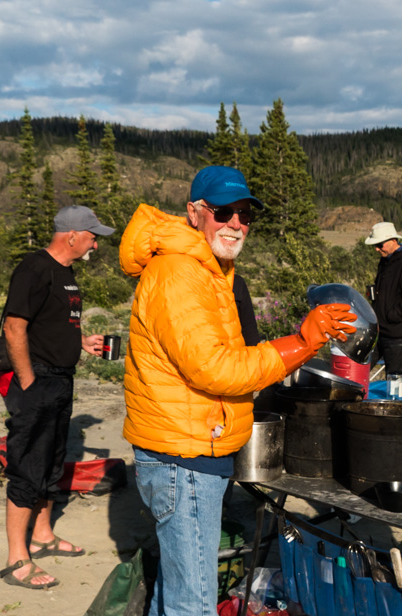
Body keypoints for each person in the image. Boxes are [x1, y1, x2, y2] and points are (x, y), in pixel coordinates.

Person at [119, 165, 356, 616]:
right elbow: (216, 370)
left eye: (245, 214)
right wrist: (301, 343)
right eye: (223, 211)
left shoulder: (209, 270)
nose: (235, 223)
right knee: (193, 604)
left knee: (177, 588)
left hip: (185, 447)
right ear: (194, 213)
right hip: (184, 457)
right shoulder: (179, 274)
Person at [0, 205, 115, 590]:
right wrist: (30, 382)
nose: (96, 243)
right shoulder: (34, 268)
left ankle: (42, 535)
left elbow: (49, 325)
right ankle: (17, 559)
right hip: (37, 380)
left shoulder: (65, 273)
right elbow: (15, 326)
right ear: (71, 235)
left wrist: (81, 342)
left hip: (61, 380)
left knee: (51, 462)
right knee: (27, 463)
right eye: (92, 235)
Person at [364, 221, 402, 380]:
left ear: (393, 240)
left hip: (397, 335)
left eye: (380, 245)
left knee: (396, 383)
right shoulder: (385, 260)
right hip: (379, 331)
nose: (377, 249)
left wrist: (391, 315)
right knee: (360, 370)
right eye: (375, 246)